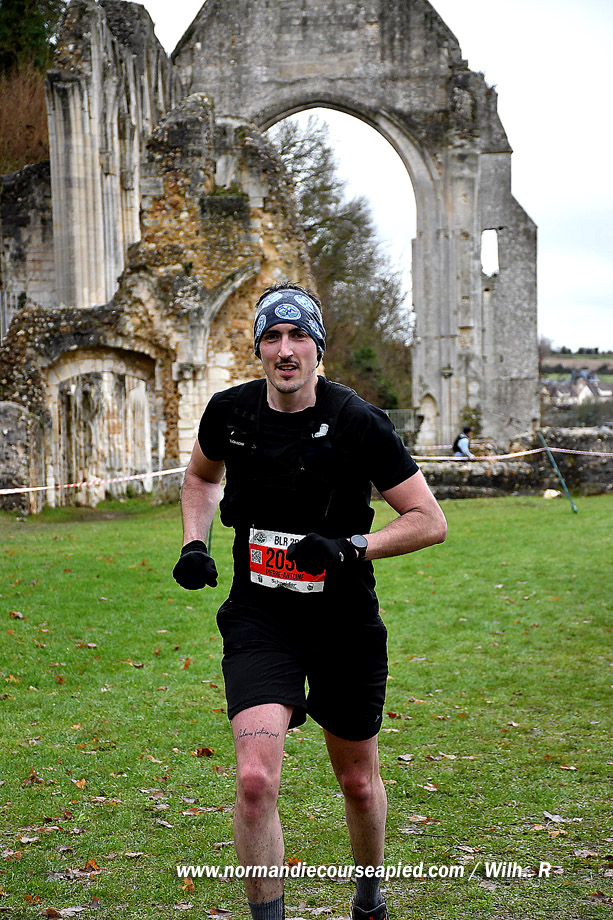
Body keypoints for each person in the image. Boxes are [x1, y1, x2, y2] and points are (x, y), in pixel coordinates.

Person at [173, 282, 447, 920]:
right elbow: (202, 477)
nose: (286, 350)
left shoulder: (358, 422)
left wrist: (351, 547)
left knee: (357, 781)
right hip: (260, 617)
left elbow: (429, 520)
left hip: (343, 623)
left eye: (299, 336)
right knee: (254, 780)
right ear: (259, 349)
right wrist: (194, 543)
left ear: (318, 349)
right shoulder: (230, 413)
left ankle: (369, 898)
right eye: (272, 337)